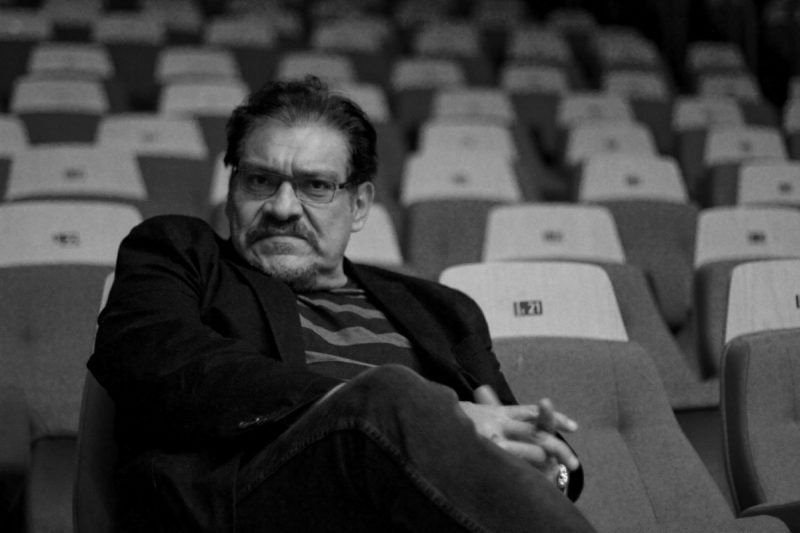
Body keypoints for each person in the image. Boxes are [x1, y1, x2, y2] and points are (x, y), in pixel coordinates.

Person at [89, 76, 596, 532]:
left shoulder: (442, 309)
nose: (283, 208)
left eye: (316, 186)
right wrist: (401, 412)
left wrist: (546, 468)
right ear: (232, 188)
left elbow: (520, 438)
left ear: (359, 206)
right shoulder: (180, 253)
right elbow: (153, 358)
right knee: (394, 392)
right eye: (260, 180)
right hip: (246, 506)